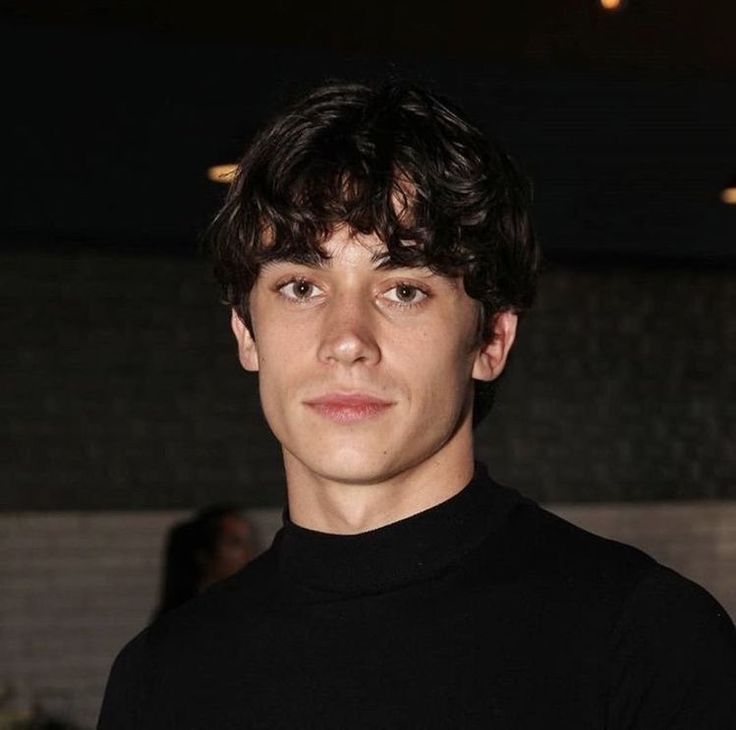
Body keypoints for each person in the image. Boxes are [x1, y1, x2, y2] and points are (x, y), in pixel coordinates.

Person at [98, 81, 736, 729]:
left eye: (403, 289)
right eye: (299, 286)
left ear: (491, 338)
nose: (346, 341)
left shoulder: (644, 643)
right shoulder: (161, 678)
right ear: (245, 332)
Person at [153, 506, 255, 619]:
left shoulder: (249, 607)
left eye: (250, 543)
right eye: (235, 543)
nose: (249, 553)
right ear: (203, 555)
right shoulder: (185, 616)